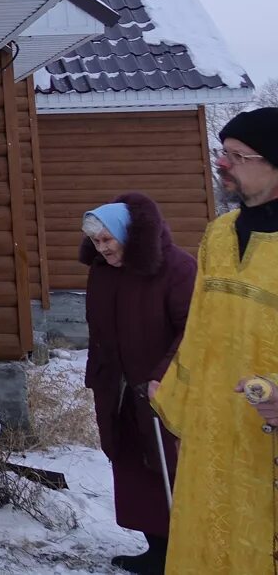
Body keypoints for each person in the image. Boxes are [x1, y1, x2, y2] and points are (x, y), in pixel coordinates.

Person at [152, 107, 278, 573]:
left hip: (267, 434)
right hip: (212, 430)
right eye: (222, 153)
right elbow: (199, 328)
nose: (223, 165)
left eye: (238, 156)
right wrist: (179, 398)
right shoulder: (218, 235)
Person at [78, 193, 194, 575]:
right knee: (133, 468)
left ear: (130, 234)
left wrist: (164, 375)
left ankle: (188, 552)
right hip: (120, 389)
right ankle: (157, 551)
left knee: (173, 469)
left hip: (167, 391)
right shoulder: (104, 271)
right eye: (96, 241)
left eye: (108, 240)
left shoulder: (176, 268)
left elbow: (192, 330)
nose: (103, 248)